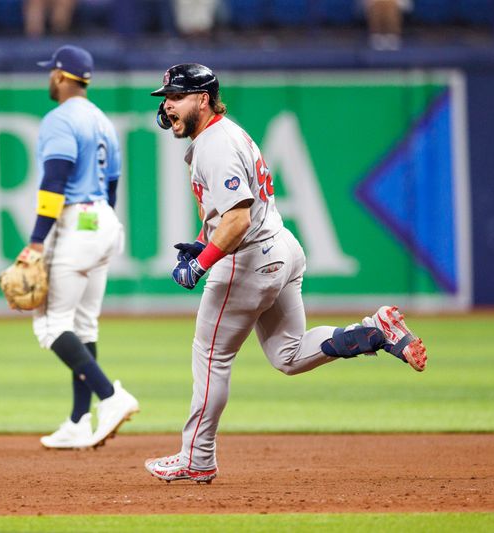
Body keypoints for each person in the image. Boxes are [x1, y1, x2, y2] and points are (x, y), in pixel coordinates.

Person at [144, 63, 428, 484]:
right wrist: (205, 241)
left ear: (202, 100)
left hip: (249, 260)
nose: (167, 106)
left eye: (176, 97)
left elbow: (238, 220)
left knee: (212, 355)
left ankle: (197, 458)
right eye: (165, 98)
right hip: (281, 248)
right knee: (289, 355)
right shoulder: (226, 133)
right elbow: (234, 213)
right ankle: (374, 331)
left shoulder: (214, 146)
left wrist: (202, 264)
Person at [21, 44, 139, 449]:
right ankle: (77, 422)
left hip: (76, 220)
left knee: (50, 325)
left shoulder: (59, 119)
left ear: (59, 75)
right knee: (84, 325)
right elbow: (113, 186)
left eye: (49, 73)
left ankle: (111, 397)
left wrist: (37, 241)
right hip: (105, 220)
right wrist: (100, 230)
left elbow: (54, 179)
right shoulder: (103, 121)